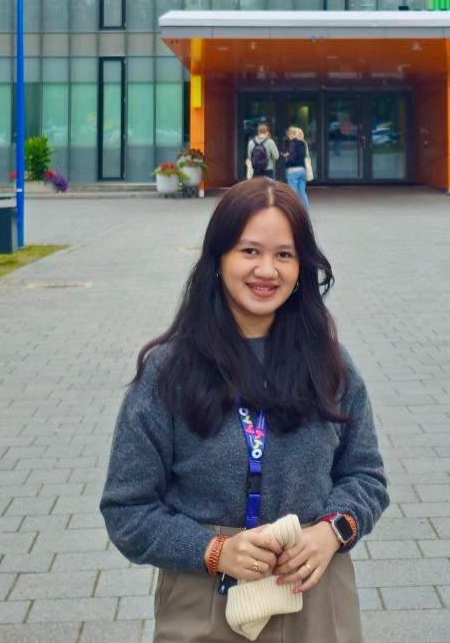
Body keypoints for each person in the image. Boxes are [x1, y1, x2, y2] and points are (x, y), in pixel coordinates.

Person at [102, 178, 388, 642]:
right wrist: (213, 549)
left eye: (284, 254)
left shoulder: (330, 363)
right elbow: (126, 509)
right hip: (205, 600)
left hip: (315, 598)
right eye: (250, 251)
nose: (267, 270)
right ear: (218, 258)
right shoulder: (168, 371)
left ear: (302, 266)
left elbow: (366, 476)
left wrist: (333, 530)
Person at [282, 125, 311, 208]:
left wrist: (287, 160)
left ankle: (294, 210)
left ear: (292, 134)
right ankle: (306, 210)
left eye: (289, 135)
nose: (288, 137)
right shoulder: (303, 143)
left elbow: (292, 158)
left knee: (292, 192)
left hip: (293, 170)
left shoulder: (293, 143)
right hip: (302, 169)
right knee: (302, 192)